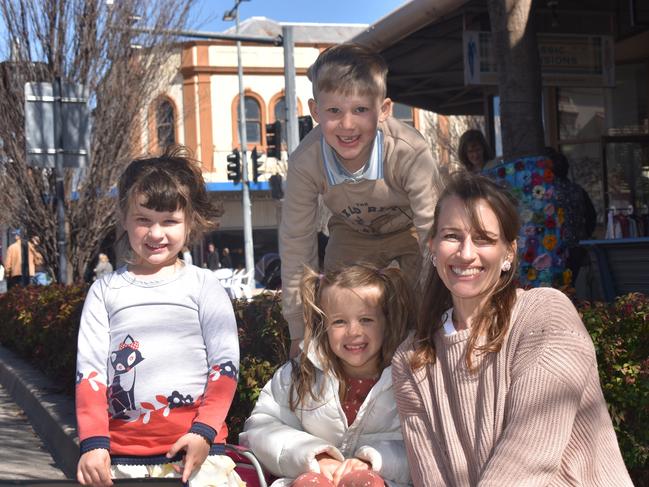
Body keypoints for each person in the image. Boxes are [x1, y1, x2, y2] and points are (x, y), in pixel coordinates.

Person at [391, 173, 632, 486]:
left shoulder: (545, 317)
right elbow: (431, 478)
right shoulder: (412, 359)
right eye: (452, 236)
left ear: (508, 252)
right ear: (433, 247)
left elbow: (529, 457)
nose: (466, 253)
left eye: (484, 239)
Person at [75, 147, 242, 487]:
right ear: (124, 218)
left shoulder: (203, 286)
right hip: (120, 460)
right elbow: (89, 373)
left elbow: (225, 367)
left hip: (199, 453)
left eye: (169, 221)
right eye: (143, 220)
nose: (156, 233)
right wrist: (93, 443)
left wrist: (204, 431)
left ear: (190, 221)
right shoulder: (105, 291)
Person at [280, 43, 443, 357]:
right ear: (315, 112)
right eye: (334, 111)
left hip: (409, 230)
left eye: (360, 110)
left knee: (419, 305)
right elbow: (296, 241)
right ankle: (354, 381)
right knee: (342, 306)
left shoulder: (408, 151)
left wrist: (436, 311)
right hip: (351, 234)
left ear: (383, 110)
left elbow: (432, 231)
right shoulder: (306, 160)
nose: (347, 124)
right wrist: (299, 331)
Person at [240, 263, 414, 487]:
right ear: (323, 325)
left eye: (366, 320)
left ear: (387, 322)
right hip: (310, 478)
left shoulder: (408, 379)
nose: (353, 332)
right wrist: (313, 456)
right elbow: (260, 427)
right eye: (339, 321)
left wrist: (375, 461)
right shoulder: (299, 375)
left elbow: (426, 444)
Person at [547, 148, 597, 286]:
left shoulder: (548, 192)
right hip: (577, 246)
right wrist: (583, 235)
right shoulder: (578, 190)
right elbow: (591, 217)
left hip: (555, 248)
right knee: (571, 283)